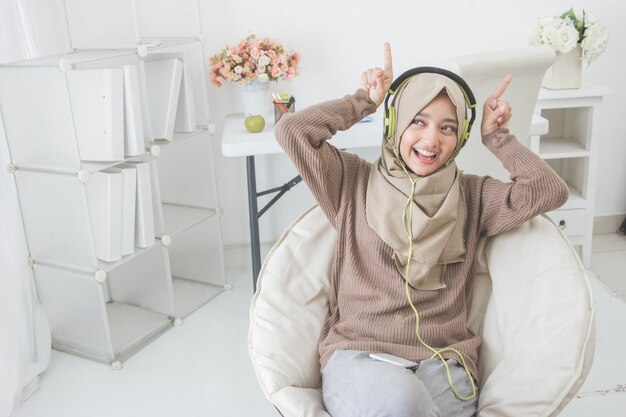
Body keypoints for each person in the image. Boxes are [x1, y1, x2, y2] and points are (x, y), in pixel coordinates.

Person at [274, 42, 568, 417]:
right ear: (395, 123)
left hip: (443, 365)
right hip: (360, 357)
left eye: (448, 128)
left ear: (460, 137)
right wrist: (363, 100)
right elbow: (293, 131)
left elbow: (548, 190)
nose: (431, 141)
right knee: (401, 403)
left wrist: (498, 138)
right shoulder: (349, 182)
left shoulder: (474, 195)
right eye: (418, 121)